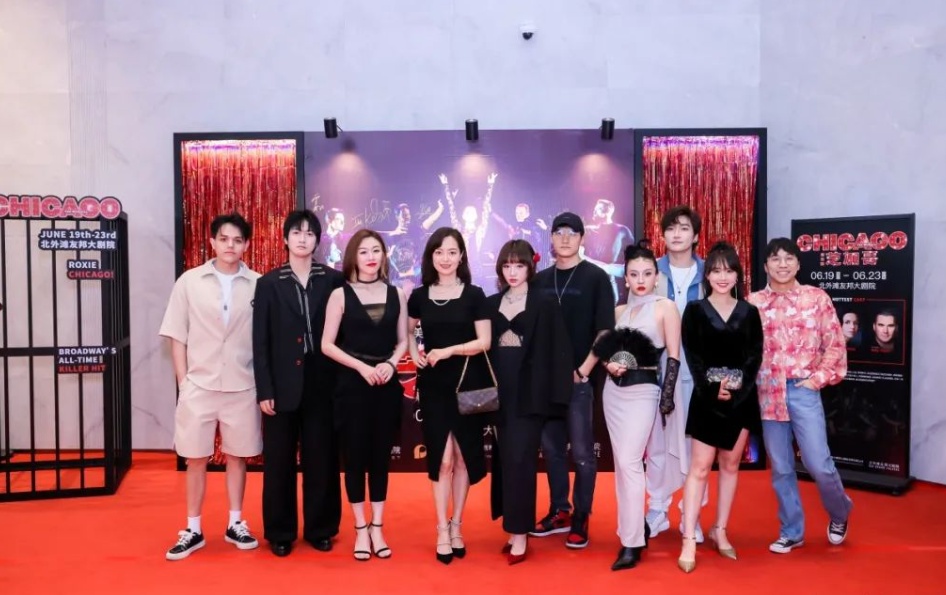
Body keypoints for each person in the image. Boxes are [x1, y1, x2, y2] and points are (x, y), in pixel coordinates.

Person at [159, 213, 262, 561]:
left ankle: (236, 523)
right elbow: (177, 334)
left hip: (242, 385)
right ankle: (193, 528)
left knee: (238, 456)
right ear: (212, 242)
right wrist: (183, 382)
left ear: (246, 245)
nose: (230, 245)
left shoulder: (258, 284)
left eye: (237, 240)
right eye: (224, 239)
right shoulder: (189, 281)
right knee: (195, 458)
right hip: (199, 385)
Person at [747, 238, 853, 554]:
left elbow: (834, 345)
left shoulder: (816, 298)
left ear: (798, 264)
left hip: (803, 389)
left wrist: (816, 380)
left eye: (788, 258)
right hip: (769, 392)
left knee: (818, 462)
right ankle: (791, 531)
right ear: (765, 266)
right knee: (781, 467)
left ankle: (840, 512)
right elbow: (746, 350)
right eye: (775, 259)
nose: (782, 264)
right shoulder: (753, 303)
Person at [252, 210, 344, 557]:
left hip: (323, 383)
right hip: (281, 385)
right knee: (279, 462)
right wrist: (265, 389)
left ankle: (321, 528)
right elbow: (260, 342)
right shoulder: (269, 283)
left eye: (309, 233)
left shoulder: (333, 280)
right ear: (285, 238)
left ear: (318, 240)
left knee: (322, 459)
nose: (303, 239)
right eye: (296, 232)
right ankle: (280, 531)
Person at [407, 227, 493, 565]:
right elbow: (409, 330)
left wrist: (448, 351)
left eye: (452, 252)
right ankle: (442, 528)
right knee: (441, 460)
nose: (445, 258)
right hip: (433, 386)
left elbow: (484, 341)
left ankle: (458, 524)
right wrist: (413, 351)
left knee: (462, 458)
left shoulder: (475, 294)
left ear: (461, 257)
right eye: (439, 252)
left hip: (467, 383)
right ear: (431, 256)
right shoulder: (419, 295)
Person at [593, 242, 681, 571]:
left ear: (657, 276)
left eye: (646, 273)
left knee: (631, 462)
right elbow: (605, 351)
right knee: (624, 464)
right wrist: (609, 364)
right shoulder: (618, 313)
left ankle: (632, 542)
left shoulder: (665, 307)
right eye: (634, 274)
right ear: (626, 278)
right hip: (613, 394)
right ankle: (634, 530)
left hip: (645, 392)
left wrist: (667, 400)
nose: (640, 280)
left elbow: (673, 357)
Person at [677, 242, 764, 573]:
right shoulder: (695, 311)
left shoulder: (749, 312)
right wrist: (714, 390)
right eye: (716, 270)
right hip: (706, 400)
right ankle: (689, 537)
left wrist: (737, 391)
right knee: (699, 468)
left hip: (741, 401)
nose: (722, 277)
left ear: (738, 275)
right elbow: (693, 357)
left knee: (730, 465)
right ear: (707, 275)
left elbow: (754, 358)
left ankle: (720, 529)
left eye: (729, 270)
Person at [321, 230, 408, 561]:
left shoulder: (396, 293)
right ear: (353, 257)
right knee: (355, 459)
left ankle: (377, 527)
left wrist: (390, 363)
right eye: (364, 251)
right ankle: (360, 528)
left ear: (384, 255)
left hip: (385, 386)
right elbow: (327, 345)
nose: (371, 257)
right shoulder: (340, 295)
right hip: (352, 387)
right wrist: (361, 367)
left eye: (376, 251)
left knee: (380, 459)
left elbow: (403, 340)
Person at [530, 212, 615, 550]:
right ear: (551, 238)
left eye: (572, 232)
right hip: (545, 383)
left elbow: (605, 329)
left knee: (582, 453)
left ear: (582, 238)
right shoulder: (539, 280)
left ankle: (581, 515)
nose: (565, 238)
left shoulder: (596, 278)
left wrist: (584, 370)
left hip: (580, 379)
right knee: (552, 450)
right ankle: (559, 511)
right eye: (559, 232)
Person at [486, 240, 572, 565]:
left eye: (519, 265)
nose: (512, 272)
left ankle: (520, 534)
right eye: (507, 266)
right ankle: (512, 528)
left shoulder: (544, 303)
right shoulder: (491, 303)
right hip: (499, 394)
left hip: (530, 395)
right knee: (506, 461)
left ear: (530, 267)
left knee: (522, 461)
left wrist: (557, 397)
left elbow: (558, 350)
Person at [647, 205, 707, 542]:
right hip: (659, 369)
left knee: (696, 445)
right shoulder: (651, 271)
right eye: (671, 228)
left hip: (699, 373)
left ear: (696, 236)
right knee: (657, 441)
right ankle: (657, 508)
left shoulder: (710, 272)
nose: (677, 234)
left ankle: (691, 513)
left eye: (684, 228)